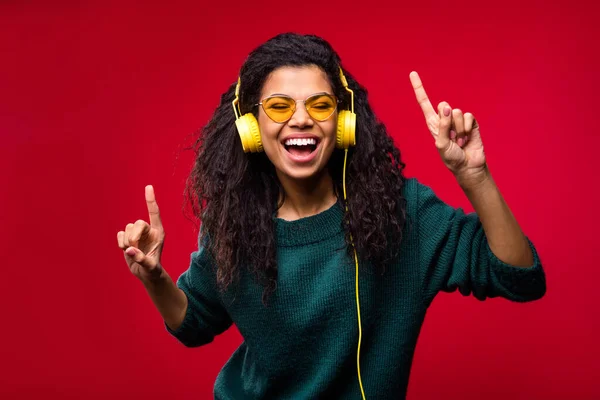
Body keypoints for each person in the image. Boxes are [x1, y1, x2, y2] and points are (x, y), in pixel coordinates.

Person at [116, 33, 546, 399]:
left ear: (344, 122)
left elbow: (519, 276)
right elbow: (193, 323)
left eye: (320, 105)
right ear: (251, 127)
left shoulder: (402, 214)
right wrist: (155, 277)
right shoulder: (233, 223)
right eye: (280, 107)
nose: (301, 120)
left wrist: (475, 176)